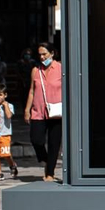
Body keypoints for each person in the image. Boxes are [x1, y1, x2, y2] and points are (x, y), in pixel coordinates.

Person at [27, 41, 64, 181]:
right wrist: (27, 109)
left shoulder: (61, 68)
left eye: (45, 54)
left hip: (56, 111)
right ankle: (46, 159)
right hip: (38, 111)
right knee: (36, 140)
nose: (42, 57)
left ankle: (50, 173)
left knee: (54, 143)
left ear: (52, 53)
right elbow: (32, 91)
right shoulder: (36, 70)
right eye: (40, 54)